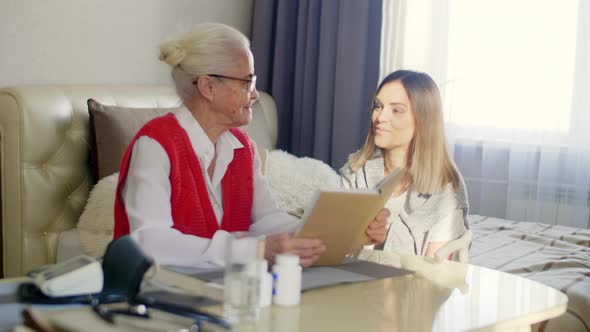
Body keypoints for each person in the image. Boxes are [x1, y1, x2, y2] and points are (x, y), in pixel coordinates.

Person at [112, 22, 389, 269]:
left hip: (219, 292)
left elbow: (265, 220)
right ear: (208, 87)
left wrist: (342, 229)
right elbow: (150, 241)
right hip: (152, 298)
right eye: (247, 82)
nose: (255, 94)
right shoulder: (156, 144)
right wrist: (255, 249)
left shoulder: (242, 148)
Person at [340, 70, 469, 258]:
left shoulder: (446, 185)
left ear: (423, 120)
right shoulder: (355, 172)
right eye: (378, 106)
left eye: (396, 110)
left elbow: (435, 276)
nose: (380, 117)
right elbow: (336, 253)